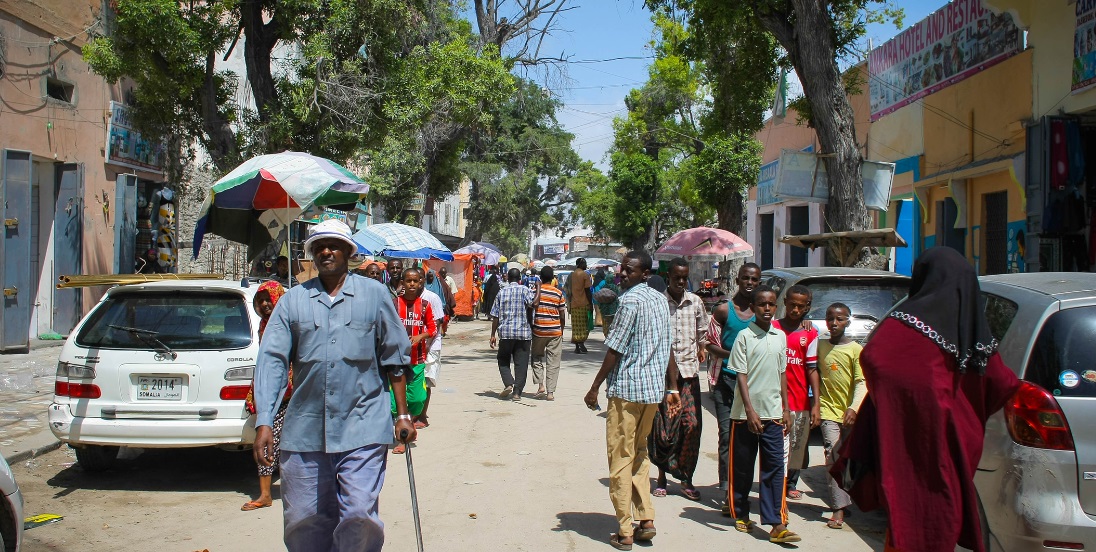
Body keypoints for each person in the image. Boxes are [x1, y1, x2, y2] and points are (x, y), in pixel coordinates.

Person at [835, 247, 1020, 552]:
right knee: (941, 520)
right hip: (953, 450)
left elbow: (875, 359)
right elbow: (1002, 383)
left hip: (905, 451)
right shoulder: (975, 337)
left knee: (907, 522)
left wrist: (897, 403)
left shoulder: (900, 327)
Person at [252, 219, 415, 551]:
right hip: (305, 431)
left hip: (363, 426)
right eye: (319, 246)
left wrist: (403, 415)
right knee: (303, 519)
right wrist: (264, 420)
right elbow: (272, 362)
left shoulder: (375, 295)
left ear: (348, 252)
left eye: (334, 245)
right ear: (312, 253)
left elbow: (395, 359)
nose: (326, 251)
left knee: (358, 514)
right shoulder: (292, 302)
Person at [584, 250, 675, 551]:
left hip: (627, 391)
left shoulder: (630, 301)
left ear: (645, 274)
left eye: (631, 271)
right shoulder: (661, 301)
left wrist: (595, 386)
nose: (623, 274)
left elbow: (615, 348)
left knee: (621, 459)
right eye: (623, 269)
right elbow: (667, 347)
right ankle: (646, 518)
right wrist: (671, 387)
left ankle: (625, 530)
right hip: (651, 393)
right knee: (640, 453)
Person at [727, 285, 800, 543]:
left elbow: (783, 374)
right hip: (745, 415)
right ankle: (740, 512)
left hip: (773, 414)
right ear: (753, 308)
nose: (767, 309)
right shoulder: (744, 337)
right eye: (762, 305)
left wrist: (786, 408)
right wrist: (749, 410)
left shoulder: (779, 337)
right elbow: (741, 375)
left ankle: (776, 523)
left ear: (775, 306)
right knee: (744, 468)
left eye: (771, 305)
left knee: (774, 468)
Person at [650, 258, 708, 501]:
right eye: (677, 278)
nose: (681, 282)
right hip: (664, 377)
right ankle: (662, 476)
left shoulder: (695, 302)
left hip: (689, 374)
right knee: (666, 430)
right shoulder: (659, 304)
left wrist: (702, 347)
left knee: (691, 426)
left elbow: (702, 331)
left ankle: (686, 478)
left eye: (685, 278)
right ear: (668, 278)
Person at [706, 263, 760, 506]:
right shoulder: (723, 311)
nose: (750, 283)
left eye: (754, 279)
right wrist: (733, 355)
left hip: (753, 385)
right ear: (737, 280)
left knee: (746, 439)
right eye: (746, 278)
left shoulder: (762, 313)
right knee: (727, 436)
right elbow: (709, 344)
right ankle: (727, 489)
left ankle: (741, 489)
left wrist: (805, 324)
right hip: (725, 382)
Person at [810, 302, 865, 529]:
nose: (834, 323)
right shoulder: (820, 345)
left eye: (840, 319)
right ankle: (838, 509)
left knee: (848, 458)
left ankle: (848, 497)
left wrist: (854, 408)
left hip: (850, 413)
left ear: (847, 321)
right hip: (827, 410)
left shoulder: (855, 350)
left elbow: (862, 382)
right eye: (830, 318)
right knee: (832, 455)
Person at [241, 281, 290, 512]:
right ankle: (265, 493)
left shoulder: (285, 324)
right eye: (260, 301)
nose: (264, 304)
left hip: (289, 390)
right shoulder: (264, 324)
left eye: (267, 299)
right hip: (272, 393)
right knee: (268, 440)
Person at [771, 285, 820, 501]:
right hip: (774, 399)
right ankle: (776, 482)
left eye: (801, 306)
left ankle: (791, 483)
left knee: (797, 445)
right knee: (776, 445)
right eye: (792, 305)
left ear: (807, 307)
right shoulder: (772, 328)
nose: (796, 310)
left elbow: (812, 369)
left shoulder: (810, 333)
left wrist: (816, 402)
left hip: (800, 398)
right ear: (785, 303)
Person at [393, 267, 438, 453]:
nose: (412, 284)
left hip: (418, 359)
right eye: (408, 281)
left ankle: (410, 421)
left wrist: (420, 337)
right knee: (395, 402)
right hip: (396, 360)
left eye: (415, 281)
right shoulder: (394, 304)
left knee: (418, 398)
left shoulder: (425, 305)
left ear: (421, 283)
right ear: (402, 283)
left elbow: (433, 328)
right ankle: (402, 439)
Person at [490, 268, 538, 401]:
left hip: (506, 333)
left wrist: (493, 334)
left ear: (508, 278)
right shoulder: (525, 290)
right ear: (520, 279)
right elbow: (533, 304)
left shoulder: (501, 292)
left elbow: (495, 315)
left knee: (503, 360)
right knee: (521, 363)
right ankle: (517, 393)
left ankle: (509, 383)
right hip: (523, 333)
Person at [531, 266, 566, 400]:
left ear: (540, 277)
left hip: (539, 330)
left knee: (536, 357)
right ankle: (550, 393)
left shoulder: (535, 290)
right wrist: (561, 329)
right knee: (553, 362)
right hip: (554, 331)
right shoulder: (558, 293)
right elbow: (562, 314)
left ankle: (541, 385)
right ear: (552, 279)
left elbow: (530, 309)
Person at [569, 258, 593, 354]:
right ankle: (581, 342)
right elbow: (587, 291)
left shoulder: (572, 275)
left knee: (576, 326)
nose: (586, 265)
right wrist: (591, 304)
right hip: (584, 303)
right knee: (584, 325)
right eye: (585, 263)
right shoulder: (584, 275)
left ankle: (577, 346)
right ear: (581, 264)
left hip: (574, 304)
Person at [593, 270, 622, 334]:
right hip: (613, 309)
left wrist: (600, 305)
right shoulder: (615, 287)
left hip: (604, 310)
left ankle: (606, 334)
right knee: (612, 324)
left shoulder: (603, 286)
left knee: (605, 323)